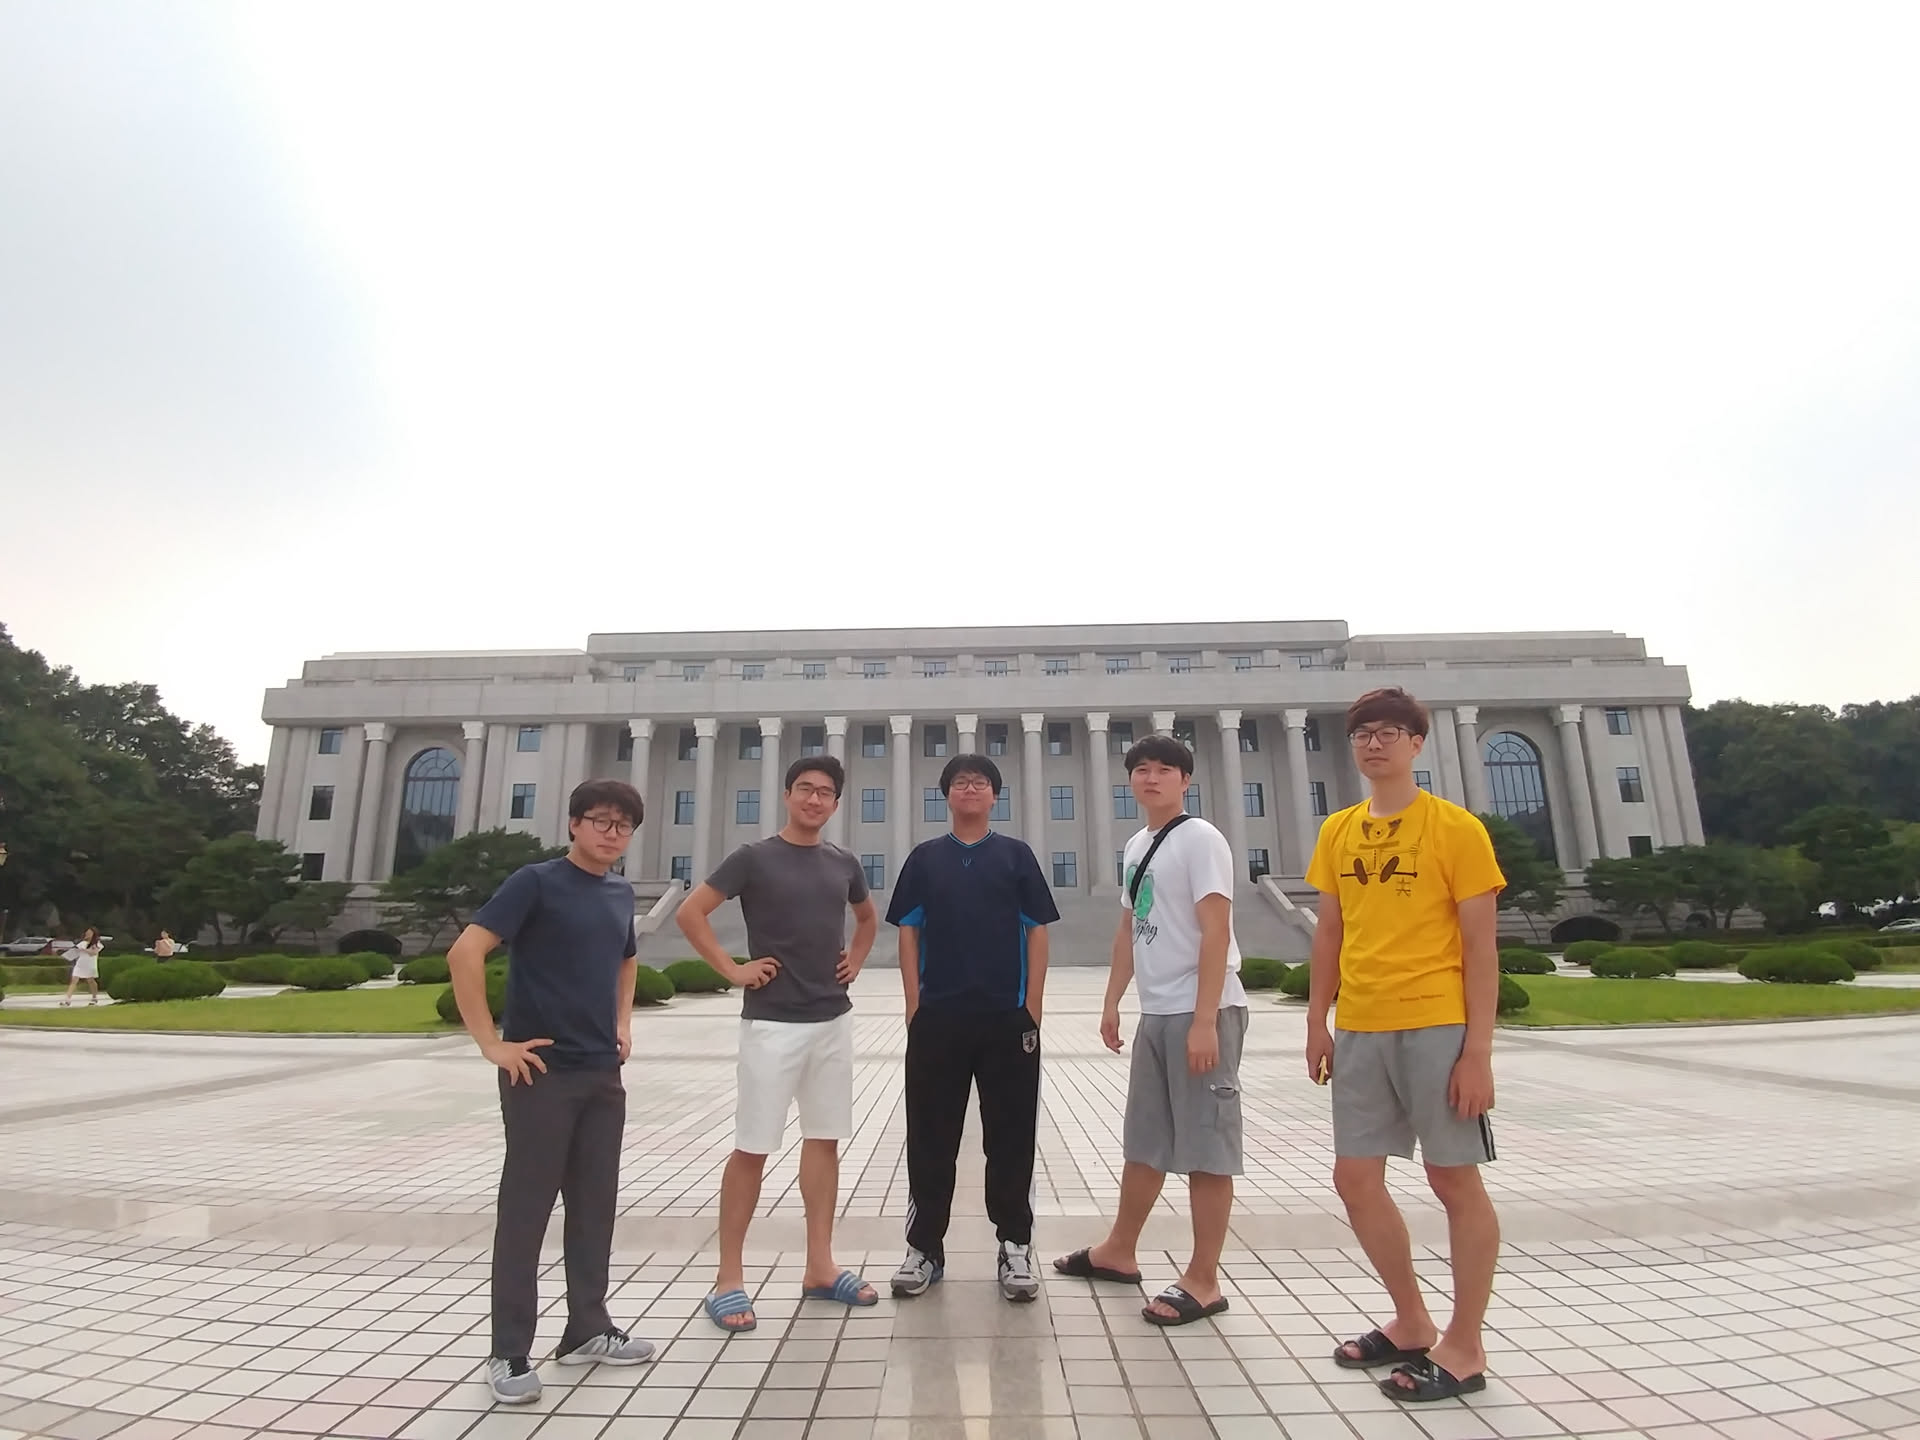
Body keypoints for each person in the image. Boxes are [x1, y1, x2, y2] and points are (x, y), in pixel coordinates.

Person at [1304, 688, 1505, 1404]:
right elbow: (1330, 932)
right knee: (1355, 1179)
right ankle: (1412, 1320)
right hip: (1361, 1026)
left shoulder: (1456, 830)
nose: (1374, 743)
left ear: (1417, 743)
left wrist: (1477, 1051)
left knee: (1453, 1180)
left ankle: (1465, 1345)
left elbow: (1481, 948)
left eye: (1389, 732)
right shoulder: (1338, 831)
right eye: (1363, 733)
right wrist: (1317, 1020)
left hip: (1436, 1024)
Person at [447, 779, 655, 1406]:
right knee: (527, 1210)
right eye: (600, 820)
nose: (612, 833)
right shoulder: (535, 882)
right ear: (574, 824)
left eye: (623, 825)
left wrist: (623, 1022)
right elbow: (465, 952)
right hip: (539, 1074)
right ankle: (509, 1350)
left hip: (601, 1073)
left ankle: (587, 1328)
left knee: (594, 1205)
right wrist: (492, 1043)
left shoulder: (619, 892)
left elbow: (626, 958)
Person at [676, 754, 880, 1333]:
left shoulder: (843, 862)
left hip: (831, 1020)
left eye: (825, 792)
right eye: (805, 789)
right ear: (788, 795)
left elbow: (867, 919)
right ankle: (728, 1279)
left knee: (824, 1141)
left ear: (836, 804)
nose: (814, 799)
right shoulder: (754, 858)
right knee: (753, 1146)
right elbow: (692, 913)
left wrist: (856, 958)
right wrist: (732, 969)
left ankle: (820, 1267)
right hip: (771, 1024)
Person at [1054, 733, 1249, 1327]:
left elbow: (1216, 930)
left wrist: (1205, 1020)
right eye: (1141, 769)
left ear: (1185, 780)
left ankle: (1204, 1279)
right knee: (1146, 1140)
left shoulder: (1201, 839)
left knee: (1207, 1148)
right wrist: (1113, 1001)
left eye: (1165, 769)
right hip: (1158, 1011)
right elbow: (1128, 929)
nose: (1152, 777)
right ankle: (1119, 1249)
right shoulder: (1139, 844)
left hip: (1202, 1011)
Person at [886, 753, 1059, 1303]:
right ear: (947, 794)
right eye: (960, 782)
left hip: (1007, 1020)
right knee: (930, 1136)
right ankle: (924, 1248)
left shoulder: (1015, 855)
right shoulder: (925, 858)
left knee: (1011, 1136)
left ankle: (1015, 1245)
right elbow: (908, 930)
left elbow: (1037, 929)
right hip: (938, 1019)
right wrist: (914, 1005)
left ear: (994, 795)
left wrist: (1032, 1006)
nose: (970, 789)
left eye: (980, 782)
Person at [60, 927, 104, 1007]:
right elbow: (76, 952)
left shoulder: (97, 944)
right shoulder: (82, 943)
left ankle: (94, 998)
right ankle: (67, 1000)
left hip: (90, 965)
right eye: (87, 933)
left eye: (89, 933)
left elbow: (93, 953)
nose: (87, 934)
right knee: (74, 980)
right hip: (80, 964)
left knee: (91, 981)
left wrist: (84, 950)